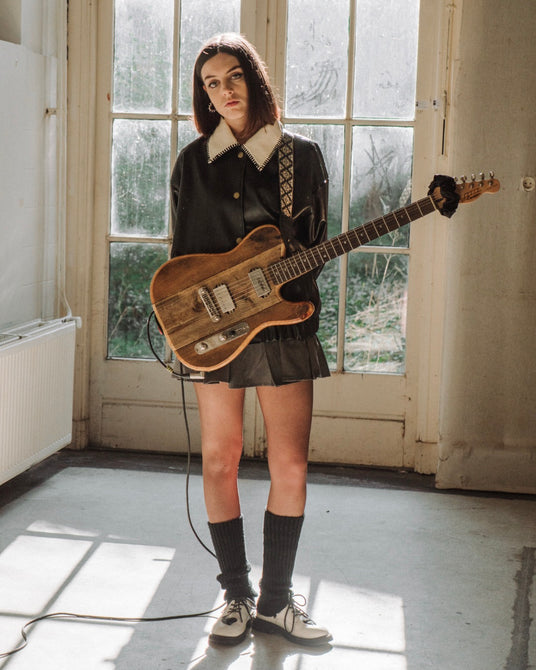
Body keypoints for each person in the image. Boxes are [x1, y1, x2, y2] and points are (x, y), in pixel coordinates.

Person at [170, 33, 332, 647]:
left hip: (283, 325)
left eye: (233, 76)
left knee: (289, 462)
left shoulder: (300, 156)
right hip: (213, 331)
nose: (224, 91)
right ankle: (235, 594)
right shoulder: (191, 163)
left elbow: (316, 246)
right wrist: (196, 317)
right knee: (220, 458)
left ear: (254, 80)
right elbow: (183, 258)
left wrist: (272, 291)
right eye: (211, 83)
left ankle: (276, 603)